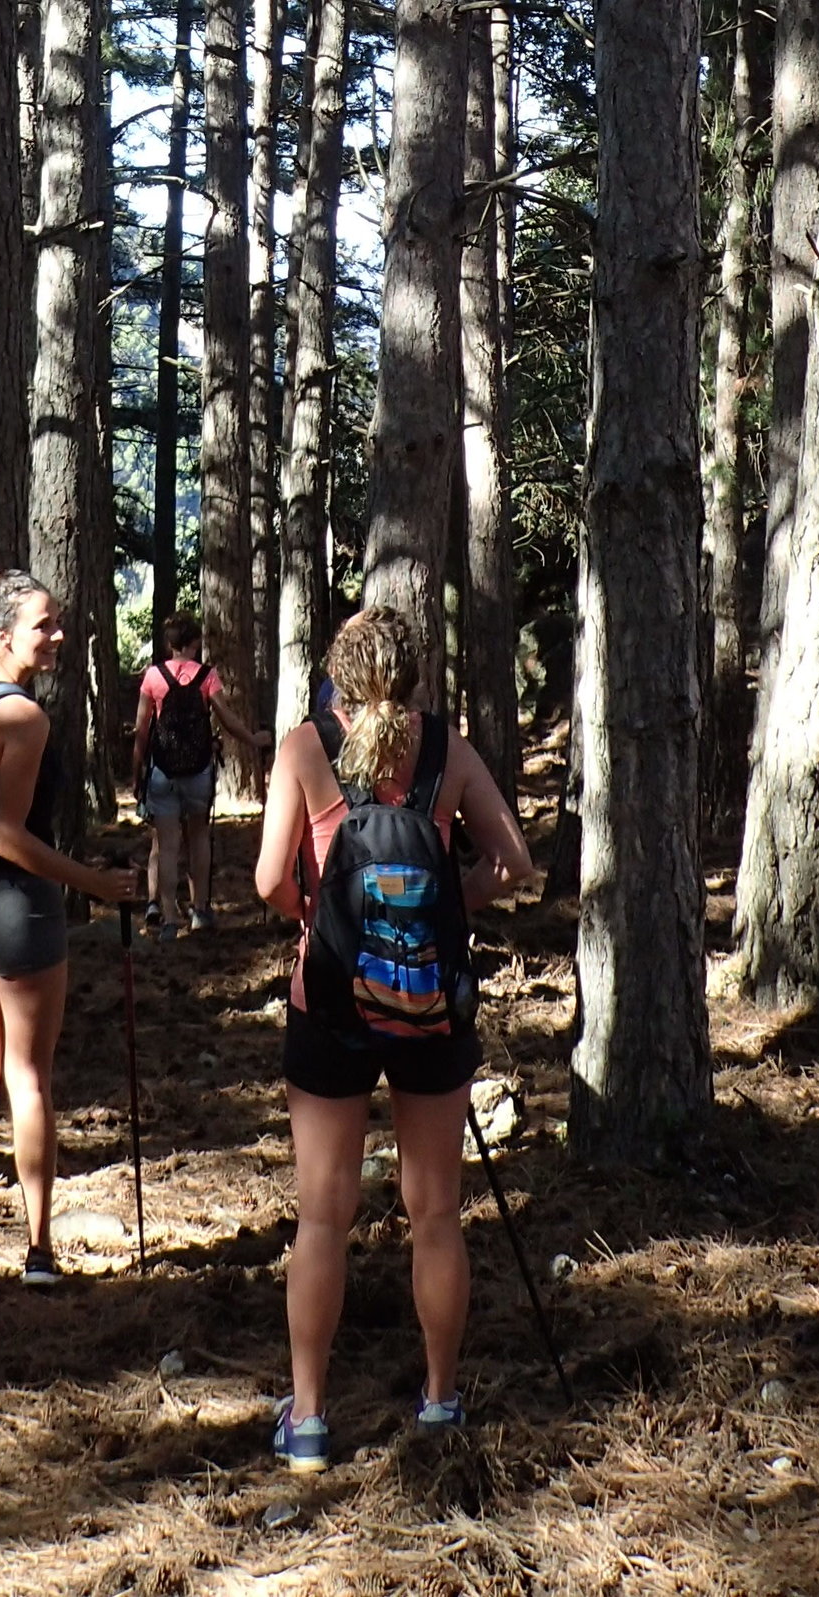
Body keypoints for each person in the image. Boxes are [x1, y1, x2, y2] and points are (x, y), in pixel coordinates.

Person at [253, 602, 535, 1470]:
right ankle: (442, 1399)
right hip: (429, 1004)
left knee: (323, 1216)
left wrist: (325, 922)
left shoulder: (306, 746)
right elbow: (515, 862)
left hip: (330, 1000)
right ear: (414, 672)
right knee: (437, 1212)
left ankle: (306, 1418)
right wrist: (447, 903)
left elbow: (268, 880)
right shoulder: (447, 751)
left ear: (339, 669)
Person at [0, 566, 140, 1298]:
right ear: (3, 632)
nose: (57, 635)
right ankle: (40, 1251)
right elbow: (11, 836)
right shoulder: (25, 717)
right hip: (16, 910)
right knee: (29, 1080)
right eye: (43, 625)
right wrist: (96, 884)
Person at [128, 610, 259, 936]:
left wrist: (137, 771)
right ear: (194, 641)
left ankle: (170, 916)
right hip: (198, 769)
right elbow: (227, 719)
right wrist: (254, 740)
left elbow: (142, 730)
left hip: (163, 771)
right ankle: (200, 910)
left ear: (169, 643)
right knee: (199, 837)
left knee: (167, 844)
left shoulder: (153, 676)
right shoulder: (207, 676)